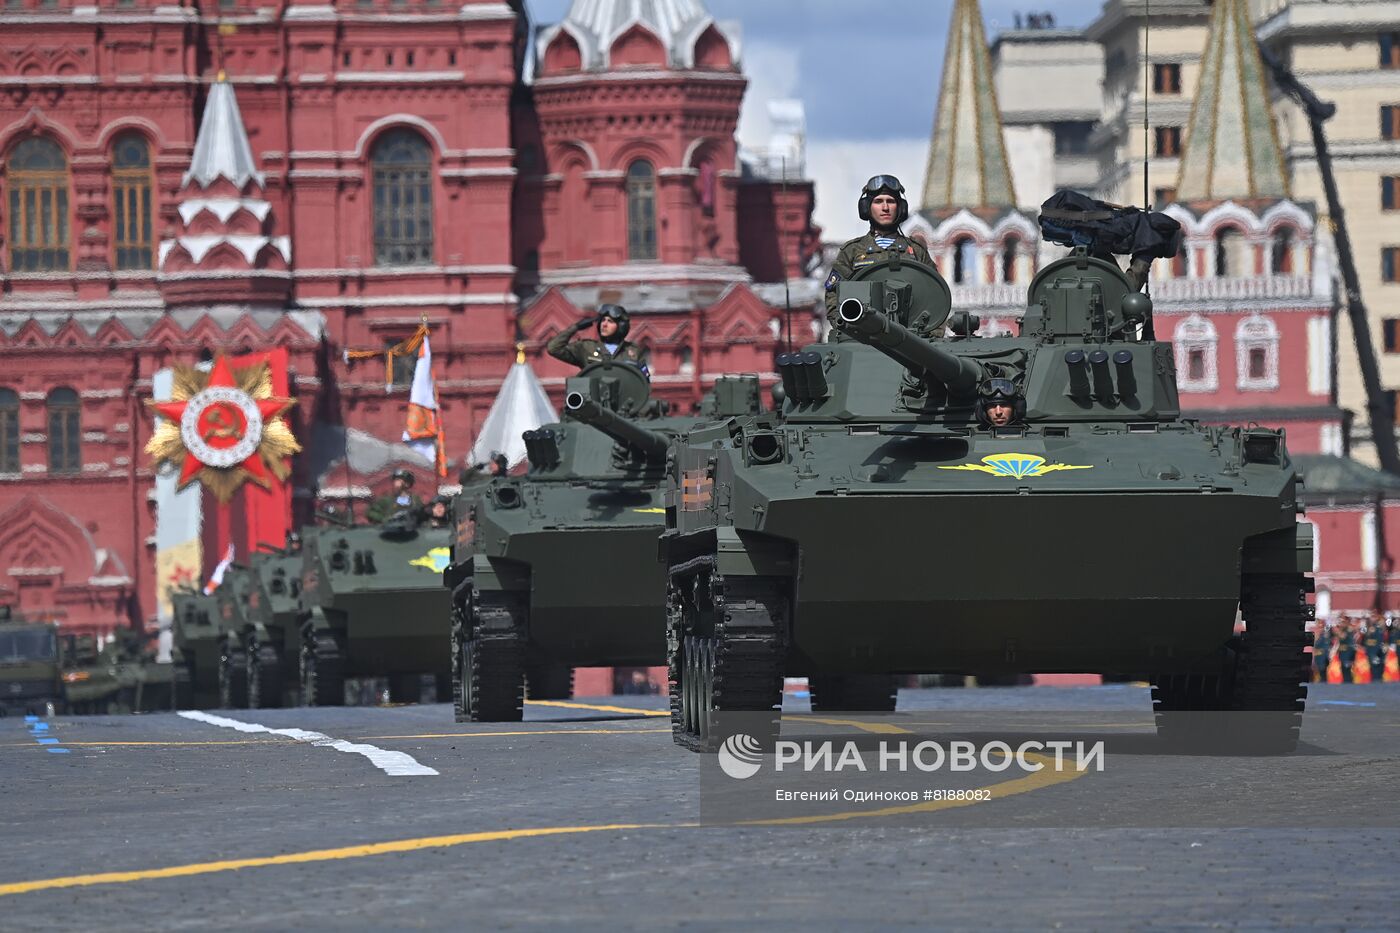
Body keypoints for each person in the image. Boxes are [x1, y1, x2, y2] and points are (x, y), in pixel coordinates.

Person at [824, 175, 934, 333]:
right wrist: (845, 329)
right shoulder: (853, 252)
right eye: (878, 202)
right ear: (866, 208)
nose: (885, 208)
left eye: (890, 201)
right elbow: (833, 294)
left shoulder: (915, 251)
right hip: (862, 337)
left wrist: (932, 334)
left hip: (912, 337)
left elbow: (935, 294)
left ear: (901, 208)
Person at [546, 304, 650, 375]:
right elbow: (553, 348)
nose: (604, 324)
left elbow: (643, 381)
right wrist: (576, 327)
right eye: (603, 320)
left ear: (621, 326)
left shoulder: (633, 351)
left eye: (610, 321)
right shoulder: (587, 348)